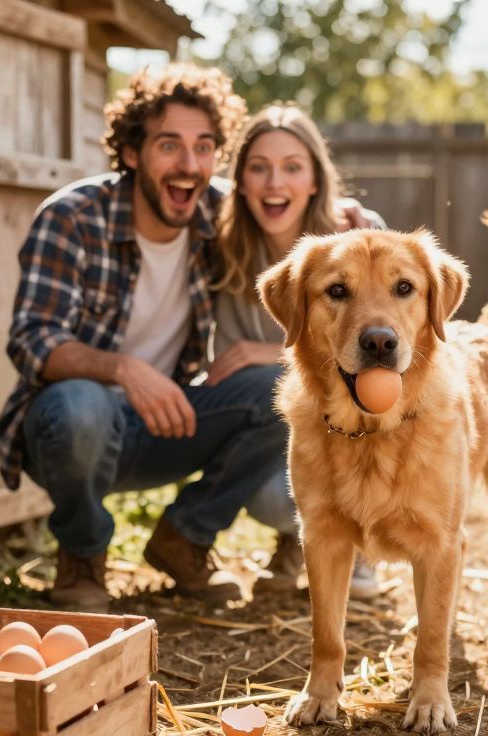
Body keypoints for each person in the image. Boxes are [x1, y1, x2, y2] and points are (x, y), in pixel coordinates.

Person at [0, 64, 283, 612]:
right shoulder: (73, 217)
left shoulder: (220, 214)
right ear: (130, 152)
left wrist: (356, 215)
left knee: (278, 387)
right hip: (69, 430)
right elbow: (31, 341)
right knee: (82, 403)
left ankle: (184, 539)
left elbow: (303, 216)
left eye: (204, 147)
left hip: (168, 422)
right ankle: (81, 556)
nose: (189, 165)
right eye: (169, 145)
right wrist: (124, 370)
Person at [208, 103, 382, 599]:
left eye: (291, 167)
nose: (274, 183)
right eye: (258, 168)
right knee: (269, 494)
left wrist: (265, 353)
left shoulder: (360, 234)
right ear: (239, 180)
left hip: (349, 415)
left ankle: (363, 546)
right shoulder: (223, 245)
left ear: (315, 180)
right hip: (267, 424)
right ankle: (299, 539)